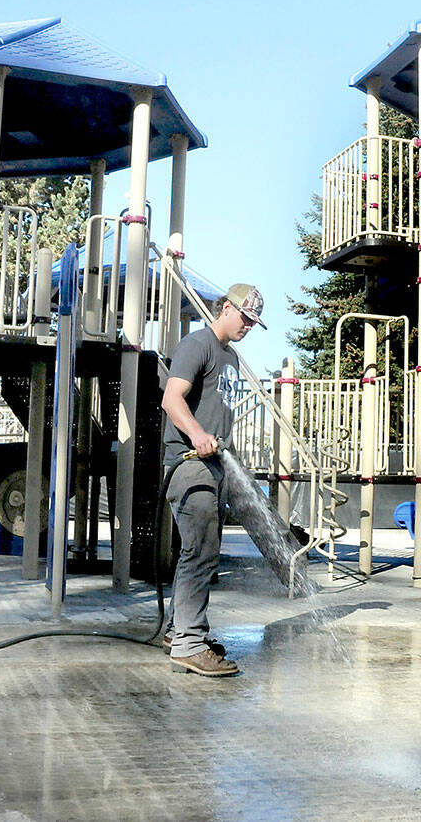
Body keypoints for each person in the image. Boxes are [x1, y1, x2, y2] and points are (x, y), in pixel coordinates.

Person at [160, 283, 266, 677]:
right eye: (244, 317)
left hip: (216, 465)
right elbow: (171, 400)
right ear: (225, 308)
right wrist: (198, 435)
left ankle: (177, 632)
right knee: (201, 550)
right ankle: (189, 644)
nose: (248, 326)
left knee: (199, 550)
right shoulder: (197, 344)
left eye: (254, 323)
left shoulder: (231, 358)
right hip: (189, 463)